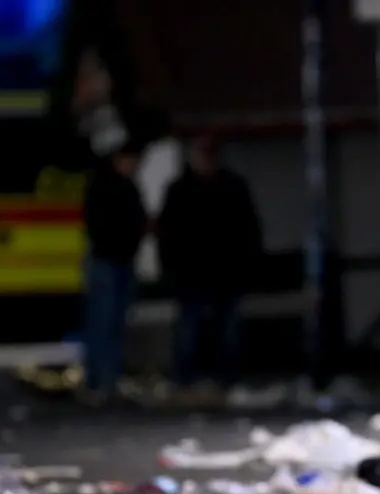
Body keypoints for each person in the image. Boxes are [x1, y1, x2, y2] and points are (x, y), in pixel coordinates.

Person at [158, 134, 263, 392]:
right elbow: (168, 233)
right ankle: (185, 381)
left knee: (226, 332)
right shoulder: (180, 190)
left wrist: (247, 267)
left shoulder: (233, 187)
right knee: (189, 331)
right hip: (190, 274)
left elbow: (249, 231)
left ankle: (226, 381)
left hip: (225, 273)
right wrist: (171, 270)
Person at [79, 144, 146, 405]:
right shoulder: (108, 187)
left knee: (111, 325)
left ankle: (104, 381)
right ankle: (101, 381)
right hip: (108, 261)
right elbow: (103, 225)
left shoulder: (121, 186)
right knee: (104, 325)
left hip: (117, 260)